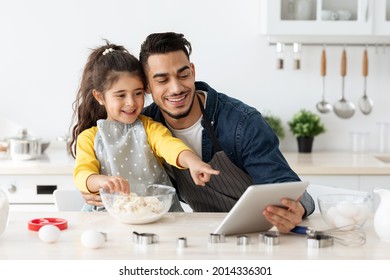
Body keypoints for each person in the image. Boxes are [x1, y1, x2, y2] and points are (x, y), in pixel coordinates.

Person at [82, 32, 315, 232]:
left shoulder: (241, 122)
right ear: (148, 87)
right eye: (162, 80)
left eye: (183, 75)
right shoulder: (143, 125)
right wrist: (96, 190)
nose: (176, 88)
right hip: (203, 231)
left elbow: (285, 185)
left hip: (258, 231)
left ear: (192, 71)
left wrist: (297, 208)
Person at [69, 41, 219, 212]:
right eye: (121, 95)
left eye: (138, 93)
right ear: (100, 97)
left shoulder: (149, 127)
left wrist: (193, 162)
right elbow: (82, 174)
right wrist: (100, 181)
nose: (131, 102)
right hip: (111, 214)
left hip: (155, 211)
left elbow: (170, 146)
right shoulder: (89, 137)